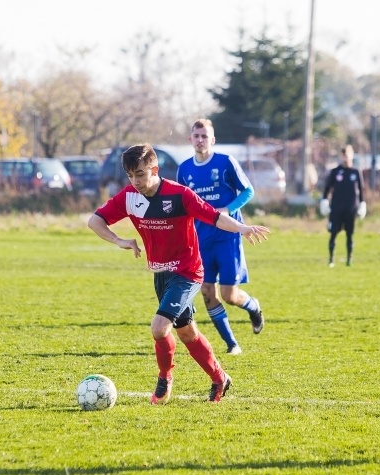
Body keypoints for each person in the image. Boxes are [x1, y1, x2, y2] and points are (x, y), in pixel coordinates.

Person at [88, 143, 270, 404]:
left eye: (140, 174)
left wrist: (242, 228)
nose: (135, 181)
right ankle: (220, 378)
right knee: (186, 332)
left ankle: (164, 379)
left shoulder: (179, 195)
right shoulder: (129, 197)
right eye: (130, 175)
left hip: (187, 272)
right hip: (160, 274)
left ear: (154, 169)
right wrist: (119, 240)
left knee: (160, 327)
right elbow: (95, 220)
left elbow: (214, 217)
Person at [176, 118, 265, 356]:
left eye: (205, 136)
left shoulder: (226, 162)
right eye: (197, 136)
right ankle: (232, 343)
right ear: (190, 139)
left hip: (228, 237)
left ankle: (253, 306)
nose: (200, 140)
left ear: (212, 140)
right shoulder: (184, 169)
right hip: (201, 239)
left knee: (229, 295)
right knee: (206, 291)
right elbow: (182, 205)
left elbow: (248, 190)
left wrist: (227, 209)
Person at [320, 144, 366, 267]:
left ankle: (349, 259)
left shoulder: (356, 172)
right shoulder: (335, 171)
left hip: (351, 208)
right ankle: (331, 259)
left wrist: (362, 203)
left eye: (347, 155)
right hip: (336, 208)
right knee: (333, 233)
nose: (345, 158)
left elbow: (361, 190)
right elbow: (327, 188)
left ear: (351, 155)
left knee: (349, 234)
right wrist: (324, 201)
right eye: (343, 155)